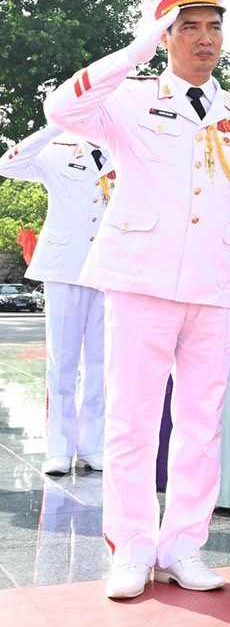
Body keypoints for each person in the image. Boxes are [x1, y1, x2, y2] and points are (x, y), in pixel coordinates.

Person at [44, 0, 230, 599]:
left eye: (213, 27)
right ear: (165, 35)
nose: (204, 38)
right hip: (140, 280)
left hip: (215, 287)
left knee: (202, 425)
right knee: (132, 422)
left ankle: (183, 546)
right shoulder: (129, 98)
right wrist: (139, 45)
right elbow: (62, 106)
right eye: (188, 26)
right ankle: (131, 547)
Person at [0, 126, 111, 476]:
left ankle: (93, 444)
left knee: (100, 363)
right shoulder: (58, 149)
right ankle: (59, 448)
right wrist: (55, 125)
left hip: (109, 266)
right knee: (61, 360)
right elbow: (9, 165)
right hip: (64, 265)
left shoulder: (124, 150)